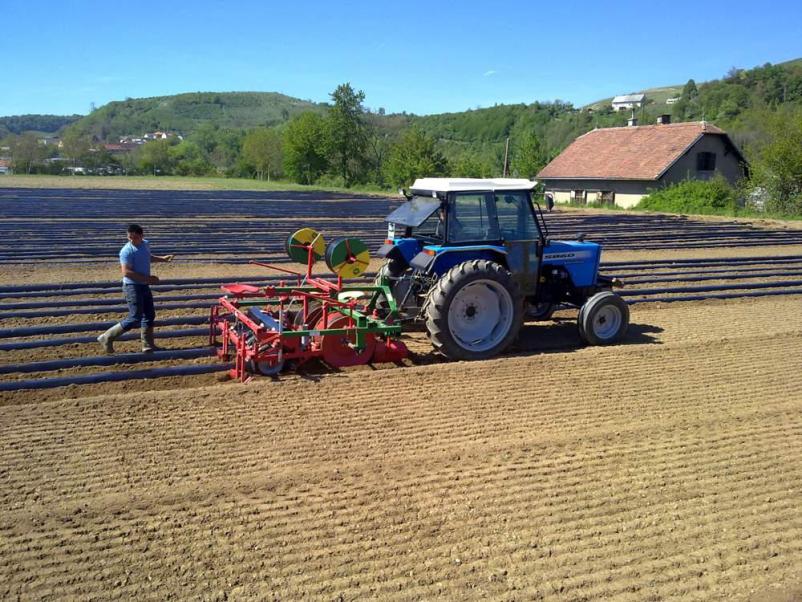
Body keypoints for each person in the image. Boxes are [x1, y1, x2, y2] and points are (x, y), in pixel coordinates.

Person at [97, 224, 174, 354]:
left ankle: (147, 345)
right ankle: (107, 337)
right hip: (132, 286)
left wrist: (162, 259)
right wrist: (148, 279)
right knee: (135, 317)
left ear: (142, 236)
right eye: (130, 237)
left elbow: (147, 257)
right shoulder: (126, 251)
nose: (132, 240)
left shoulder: (145, 244)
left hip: (143, 285)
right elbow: (126, 272)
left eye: (135, 237)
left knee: (149, 315)